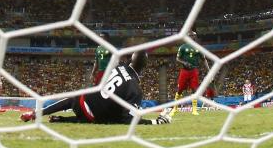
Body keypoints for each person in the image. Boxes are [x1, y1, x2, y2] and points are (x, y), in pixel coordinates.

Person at [20, 51, 171, 125]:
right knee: (112, 117)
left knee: (74, 98)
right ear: (144, 67)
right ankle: (62, 119)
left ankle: (37, 113)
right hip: (93, 117)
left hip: (80, 101)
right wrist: (154, 122)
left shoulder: (118, 67)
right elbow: (128, 120)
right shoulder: (136, 90)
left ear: (130, 59)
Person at [171, 32, 207, 115]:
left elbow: (204, 59)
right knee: (179, 90)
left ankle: (194, 110)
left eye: (193, 35)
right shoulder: (183, 47)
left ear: (195, 37)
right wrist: (184, 62)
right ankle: (175, 108)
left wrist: (208, 70)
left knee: (194, 90)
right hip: (184, 71)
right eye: (190, 35)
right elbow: (177, 58)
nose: (192, 36)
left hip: (194, 71)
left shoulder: (198, 47)